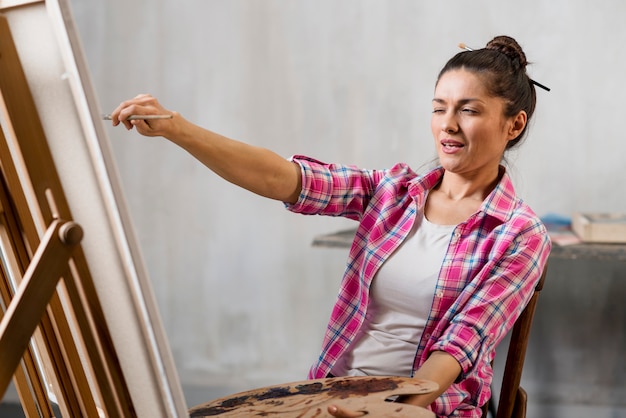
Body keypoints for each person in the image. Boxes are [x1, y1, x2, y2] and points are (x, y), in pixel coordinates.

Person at [109, 35, 551, 417]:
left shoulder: (519, 234)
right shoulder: (393, 193)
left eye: (468, 110)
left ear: (514, 124)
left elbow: (461, 341)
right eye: (439, 108)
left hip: (426, 408)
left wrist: (397, 408)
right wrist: (179, 129)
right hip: (335, 393)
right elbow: (287, 179)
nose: (448, 125)